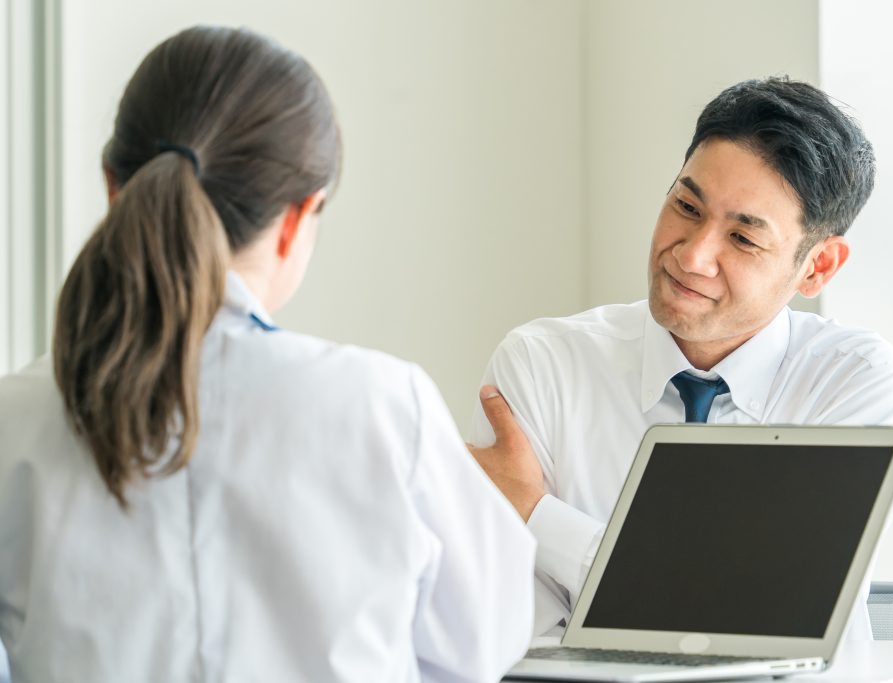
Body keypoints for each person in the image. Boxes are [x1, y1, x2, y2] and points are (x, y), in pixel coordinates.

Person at [0, 26, 534, 682]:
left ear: (115, 188)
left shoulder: (13, 421)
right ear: (296, 219)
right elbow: (487, 645)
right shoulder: (383, 406)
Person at [468, 77, 893, 639]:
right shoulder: (543, 366)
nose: (693, 255)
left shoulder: (854, 383)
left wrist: (539, 516)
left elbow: (762, 625)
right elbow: (515, 635)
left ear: (817, 267)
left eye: (744, 239)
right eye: (686, 205)